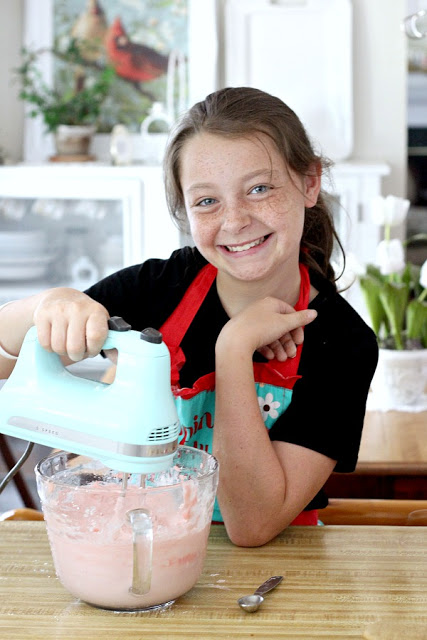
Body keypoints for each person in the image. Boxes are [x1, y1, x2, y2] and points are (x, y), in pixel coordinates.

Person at [0, 87, 378, 547]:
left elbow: (253, 524)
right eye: (207, 201)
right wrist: (48, 305)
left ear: (310, 184)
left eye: (259, 189)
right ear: (185, 209)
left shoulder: (342, 342)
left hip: (277, 575)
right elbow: (5, 360)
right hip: (143, 550)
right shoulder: (160, 288)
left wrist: (234, 349)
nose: (235, 221)